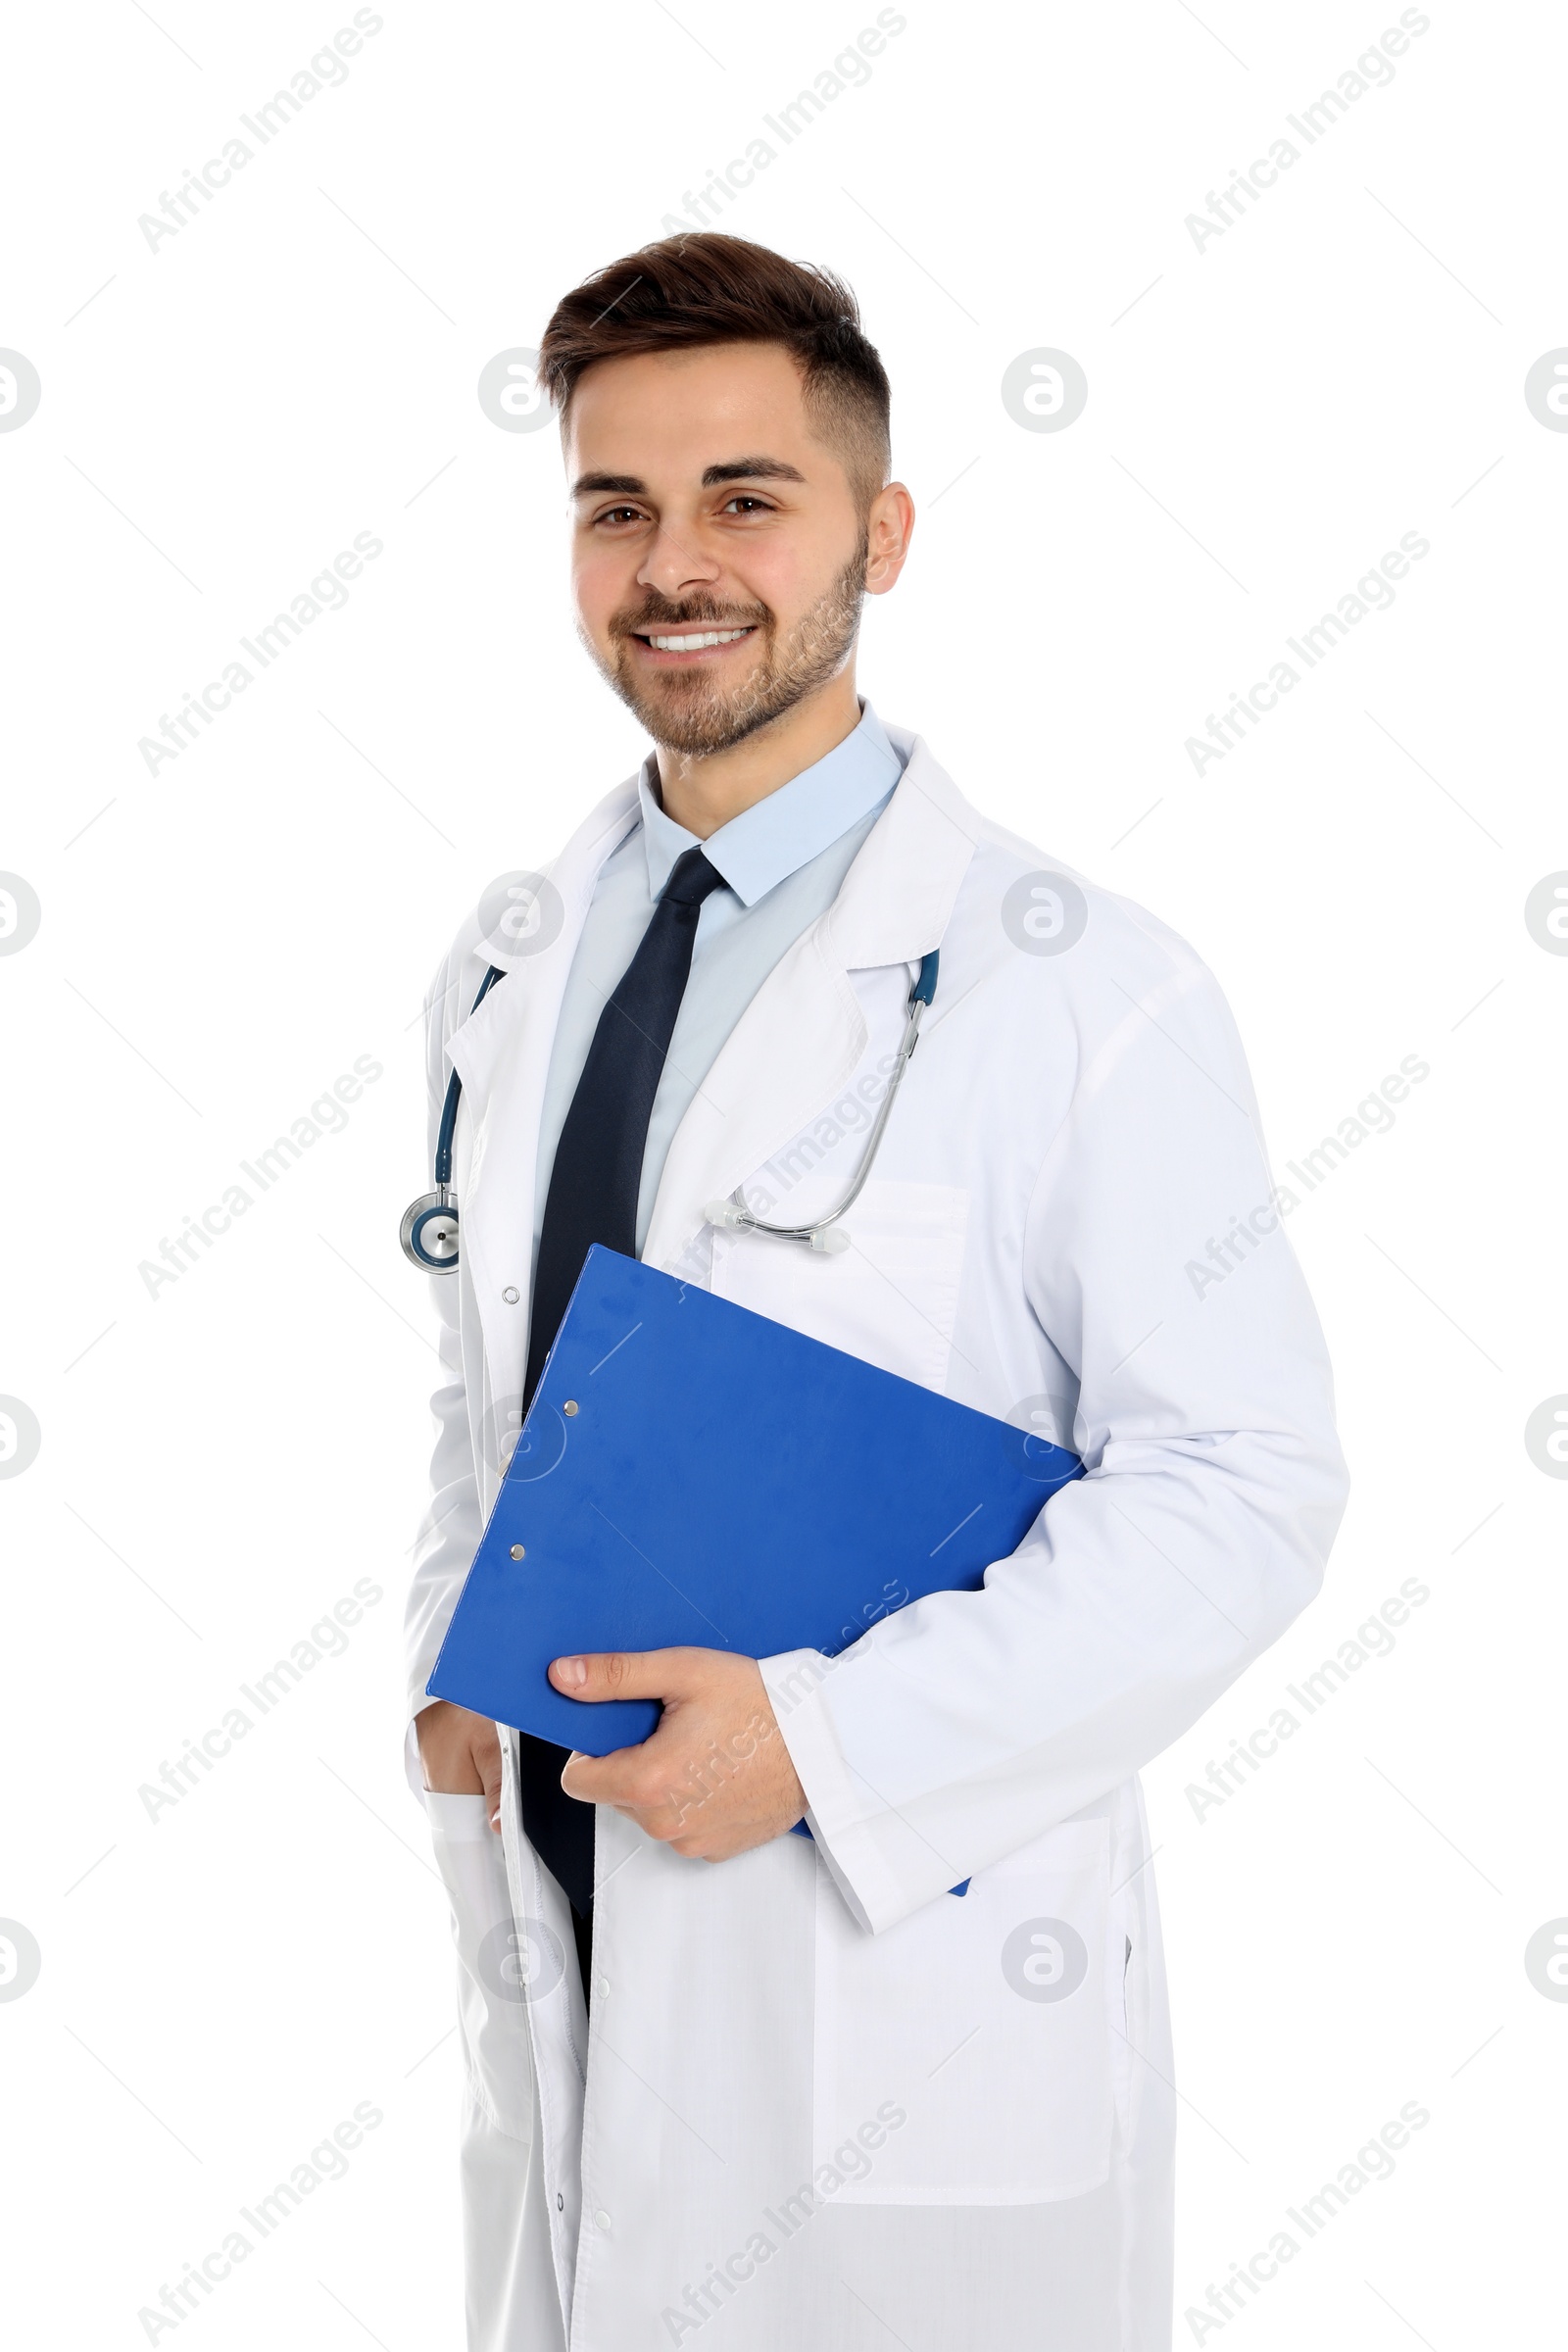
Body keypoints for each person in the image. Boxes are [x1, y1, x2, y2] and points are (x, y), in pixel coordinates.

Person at [404, 232, 1348, 2352]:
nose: (674, 564)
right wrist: (448, 1660)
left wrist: (827, 1749)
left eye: (746, 496)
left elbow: (1241, 1482)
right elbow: (480, 1388)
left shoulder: (1072, 986)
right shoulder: (504, 970)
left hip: (889, 1988)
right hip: (565, 1909)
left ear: (879, 531)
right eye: (612, 506)